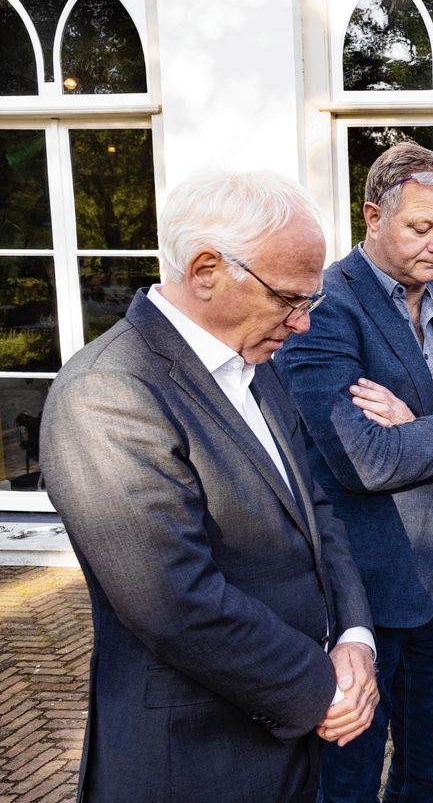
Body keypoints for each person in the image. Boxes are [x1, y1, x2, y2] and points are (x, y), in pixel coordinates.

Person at [40, 171, 377, 803]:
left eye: (312, 301)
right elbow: (173, 601)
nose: (303, 324)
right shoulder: (108, 392)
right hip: (194, 758)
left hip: (288, 738)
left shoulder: (255, 364)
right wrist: (323, 689)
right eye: (289, 298)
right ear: (205, 270)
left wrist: (355, 639)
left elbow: (318, 511)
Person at [276, 142, 433, 802]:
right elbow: (362, 460)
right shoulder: (325, 307)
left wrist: (423, 424)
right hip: (358, 594)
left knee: (430, 768)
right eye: (421, 227)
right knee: (348, 778)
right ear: (373, 216)